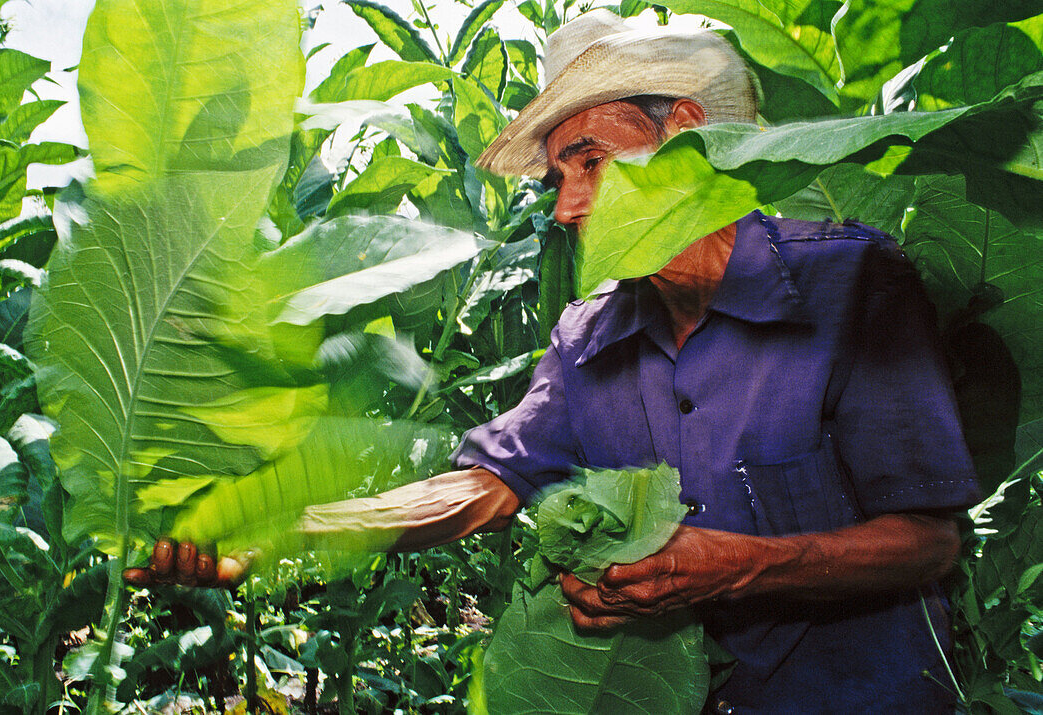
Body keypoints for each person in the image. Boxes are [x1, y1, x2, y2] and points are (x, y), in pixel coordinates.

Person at [128, 11, 981, 713]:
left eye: (592, 163)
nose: (569, 206)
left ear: (684, 133)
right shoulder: (590, 336)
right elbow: (481, 487)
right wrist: (284, 525)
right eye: (557, 178)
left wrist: (734, 563)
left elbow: (928, 542)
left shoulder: (847, 286)